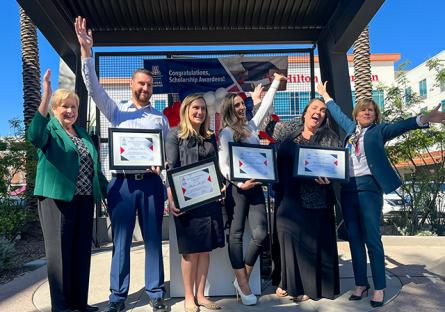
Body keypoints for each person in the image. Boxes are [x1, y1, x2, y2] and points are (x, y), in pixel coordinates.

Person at [317, 81, 445, 307]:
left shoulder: (378, 131)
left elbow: (402, 125)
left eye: (371, 110)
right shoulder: (350, 130)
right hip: (348, 189)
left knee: (372, 240)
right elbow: (336, 114)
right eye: (363, 109)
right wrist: (325, 95)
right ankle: (360, 284)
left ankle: (379, 287)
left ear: (375, 116)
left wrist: (424, 119)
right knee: (355, 240)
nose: (367, 112)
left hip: (369, 188)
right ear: (356, 114)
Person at [75, 17, 169, 312]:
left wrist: (161, 164)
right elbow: (92, 89)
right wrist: (87, 54)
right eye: (141, 83)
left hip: (152, 184)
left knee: (154, 241)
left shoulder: (160, 118)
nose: (145, 88)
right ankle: (118, 296)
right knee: (122, 241)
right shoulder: (116, 112)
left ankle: (155, 292)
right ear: (131, 84)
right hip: (122, 185)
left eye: (149, 85)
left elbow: (166, 153)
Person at [27, 69, 108, 312]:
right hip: (56, 199)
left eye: (74, 106)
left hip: (84, 201)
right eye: (65, 106)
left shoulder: (81, 133)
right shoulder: (49, 129)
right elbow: (34, 135)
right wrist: (46, 96)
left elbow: (94, 169)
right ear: (55, 109)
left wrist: (108, 192)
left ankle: (79, 302)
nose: (70, 111)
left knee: (81, 252)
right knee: (59, 255)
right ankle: (60, 307)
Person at [218, 73, 287, 305]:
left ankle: (242, 278)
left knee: (260, 233)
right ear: (229, 109)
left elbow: (265, 106)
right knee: (235, 234)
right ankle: (244, 283)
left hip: (256, 187)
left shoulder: (252, 126)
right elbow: (223, 165)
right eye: (236, 105)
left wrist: (276, 82)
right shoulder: (226, 133)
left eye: (242, 104)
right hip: (237, 190)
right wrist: (238, 183)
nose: (241, 107)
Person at [272, 98, 340, 302]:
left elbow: (335, 164)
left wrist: (329, 177)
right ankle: (287, 281)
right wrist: (259, 101)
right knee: (288, 239)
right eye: (314, 108)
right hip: (287, 195)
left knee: (310, 242)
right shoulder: (289, 129)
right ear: (305, 112)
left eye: (323, 110)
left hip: (315, 198)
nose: (318, 112)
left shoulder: (329, 136)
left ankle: (309, 287)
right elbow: (268, 125)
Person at [165, 94, 225, 312]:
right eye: (195, 108)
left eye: (202, 109)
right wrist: (171, 199)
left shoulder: (210, 137)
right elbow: (171, 169)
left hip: (209, 200)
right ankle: (189, 297)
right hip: (186, 203)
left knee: (205, 250)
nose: (199, 112)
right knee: (190, 252)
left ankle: (201, 295)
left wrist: (220, 186)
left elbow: (215, 167)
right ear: (186, 110)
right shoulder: (174, 135)